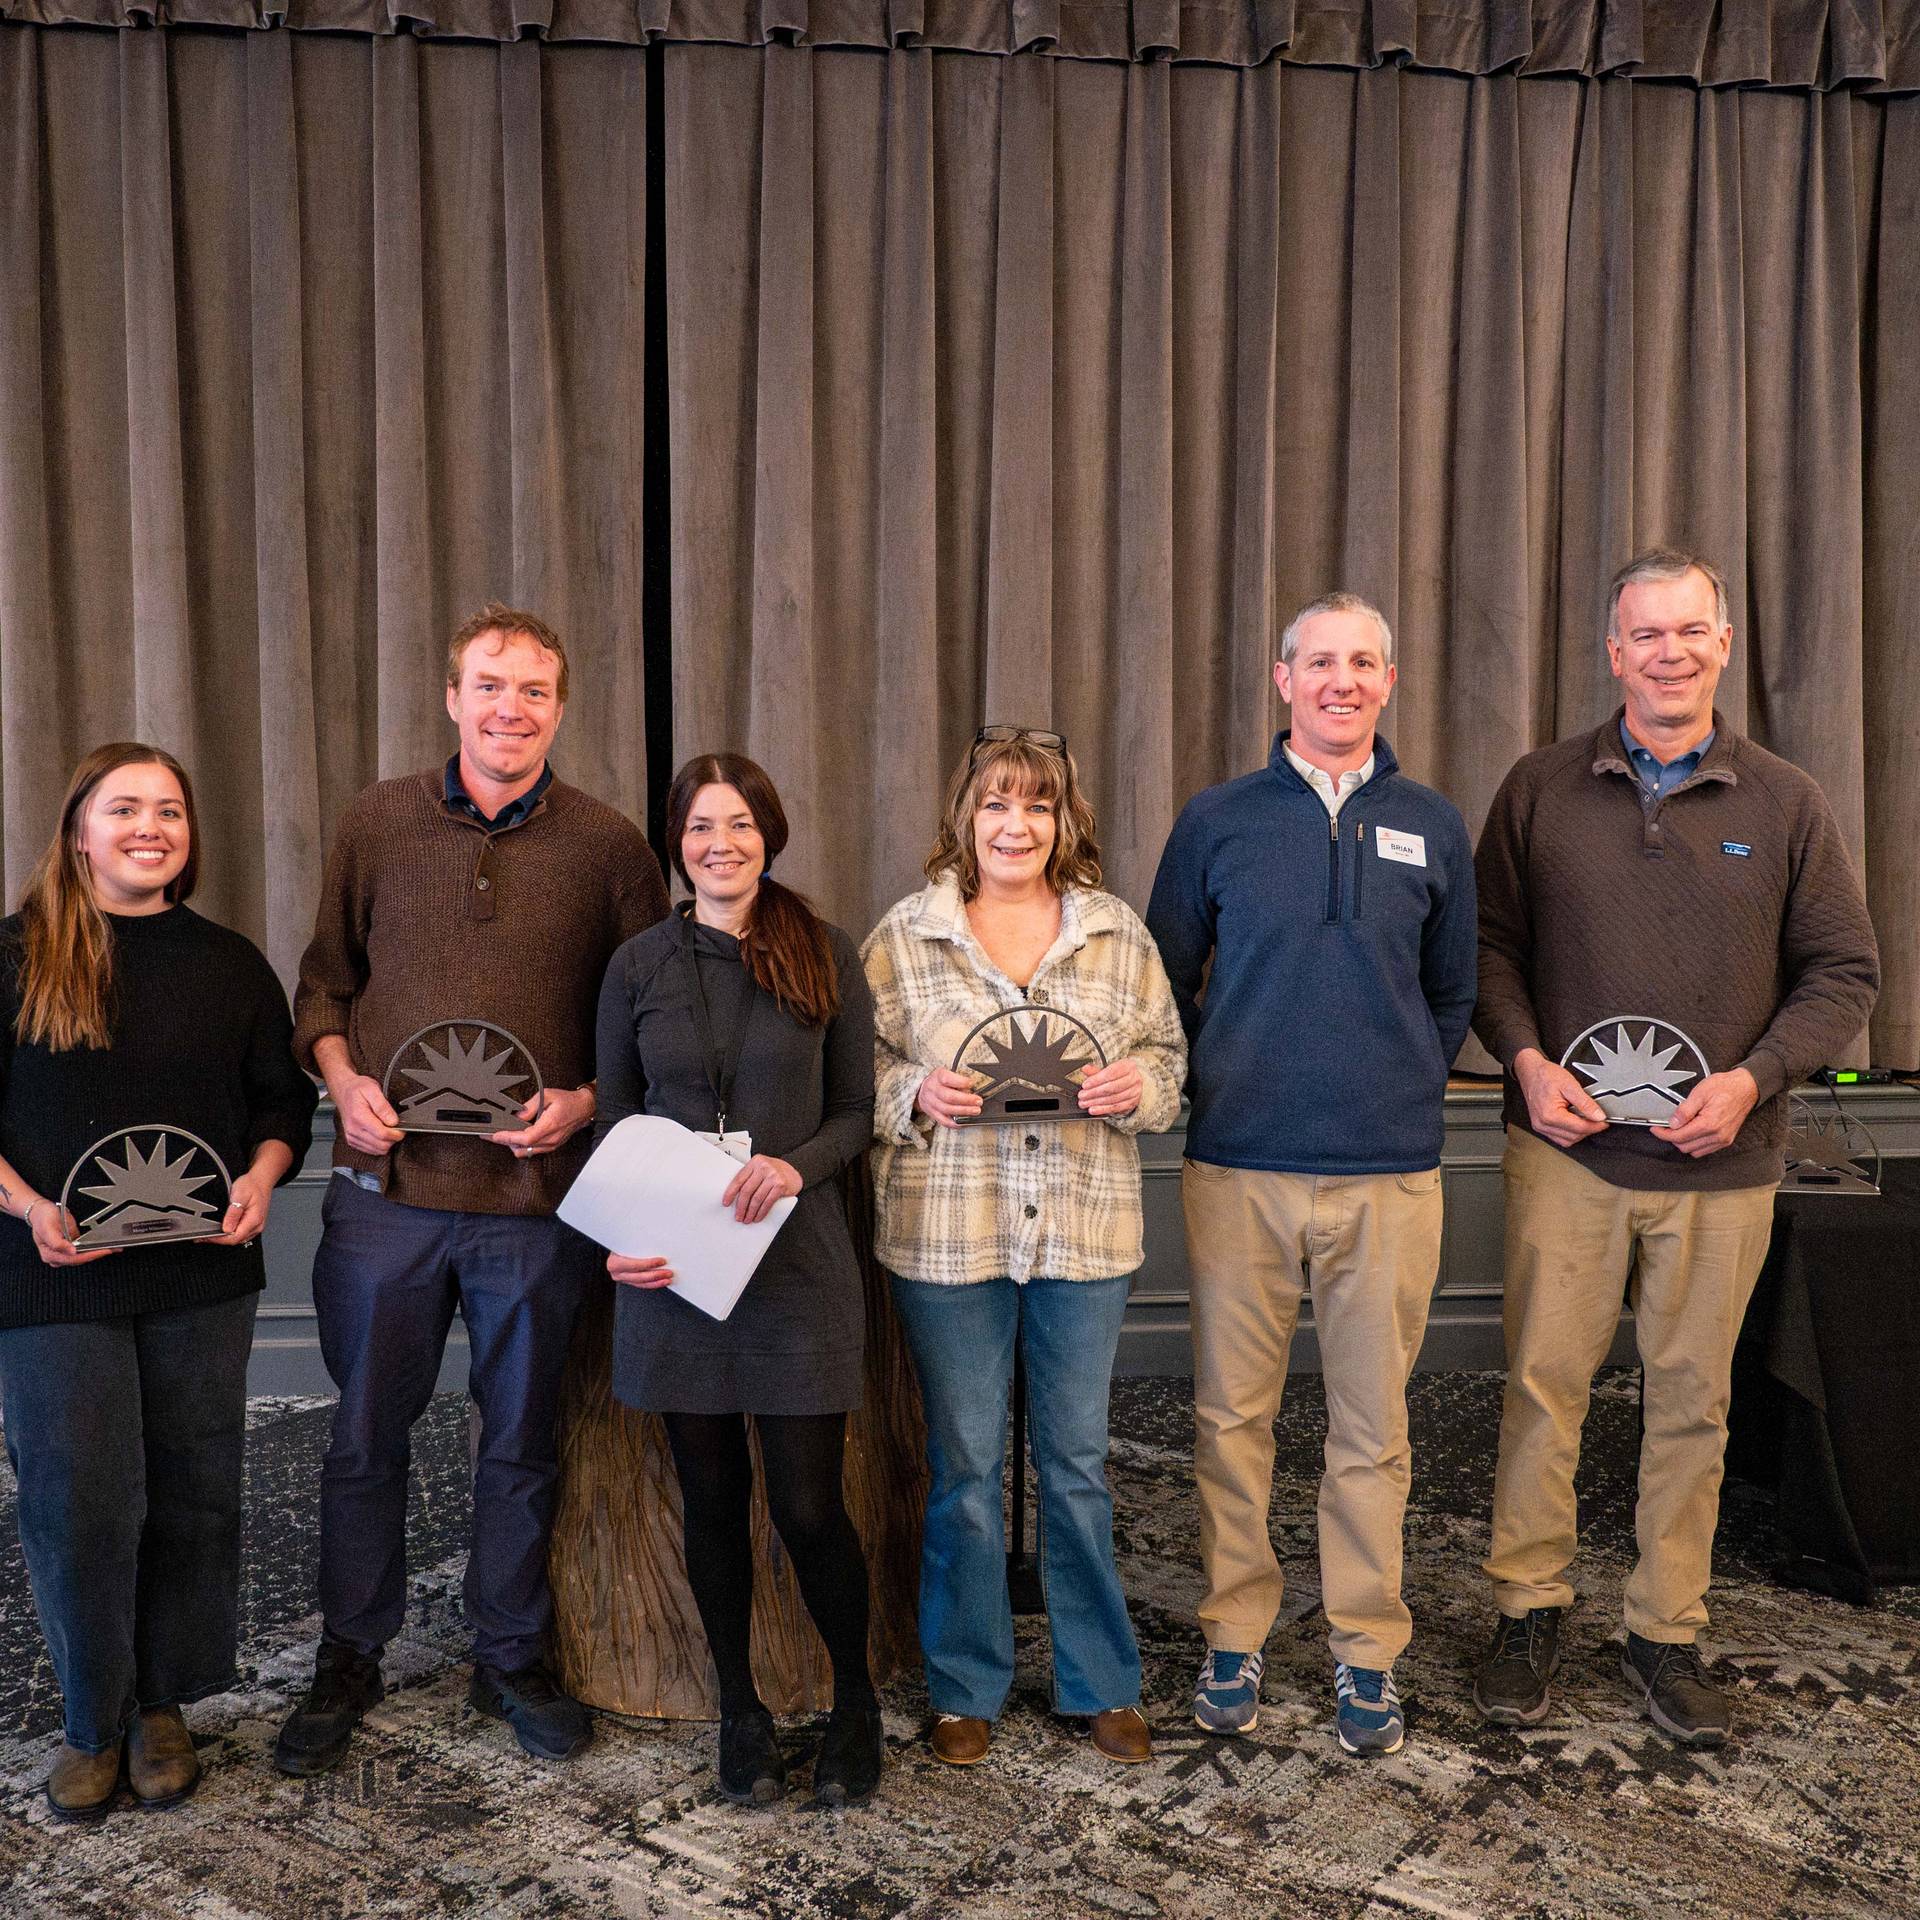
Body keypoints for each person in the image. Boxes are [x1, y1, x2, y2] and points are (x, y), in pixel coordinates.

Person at [1471, 547, 1878, 1748]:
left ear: (1723, 641)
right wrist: (1525, 1061)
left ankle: (1665, 1627)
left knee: (1692, 1404)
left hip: (1724, 1166)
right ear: (1613, 652)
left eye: (1689, 631)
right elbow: (1487, 952)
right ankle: (1526, 1609)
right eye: (1645, 634)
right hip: (1566, 1154)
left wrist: (1754, 1080)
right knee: (1544, 1391)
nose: (1669, 651)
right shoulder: (1540, 788)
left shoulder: (1787, 802)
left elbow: (1844, 973)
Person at [275, 604, 669, 1775]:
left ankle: (510, 1655)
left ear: (560, 707)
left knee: (522, 1440)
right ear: (451, 698)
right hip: (384, 1196)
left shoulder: (610, 849)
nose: (511, 709)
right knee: (361, 1436)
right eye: (490, 686)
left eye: (534, 691)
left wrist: (586, 1103)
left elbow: (649, 1020)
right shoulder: (376, 821)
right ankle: (351, 1652)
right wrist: (341, 1082)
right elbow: (322, 988)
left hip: (534, 1207)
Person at [1146, 594, 1476, 1758]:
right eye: (1320, 661)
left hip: (1386, 1176)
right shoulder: (1218, 820)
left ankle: (1364, 1652)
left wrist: (1396, 1081)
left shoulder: (1432, 824)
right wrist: (1235, 1075)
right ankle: (1234, 1630)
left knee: (1371, 1428)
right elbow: (1162, 980)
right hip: (1238, 1168)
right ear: (1281, 679)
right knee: (1233, 1419)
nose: (1343, 680)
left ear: (1390, 680)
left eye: (1365, 662)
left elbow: (1452, 992)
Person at [0, 743, 316, 1820]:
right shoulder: (16, 956)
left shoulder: (229, 963)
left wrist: (265, 1178)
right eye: (125, 808)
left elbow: (282, 1102)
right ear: (78, 828)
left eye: (170, 810)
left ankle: (162, 1707)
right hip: (53, 1275)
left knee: (192, 1492)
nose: (151, 826)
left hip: (201, 1275)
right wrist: (29, 1207)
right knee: (78, 1500)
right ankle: (93, 1717)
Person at [865, 726, 1185, 1769]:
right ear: (966, 817)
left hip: (1086, 1235)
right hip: (946, 1236)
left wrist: (1141, 1088)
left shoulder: (1115, 934)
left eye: (1037, 806)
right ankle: (965, 1685)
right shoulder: (906, 937)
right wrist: (912, 1090)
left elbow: (1166, 1060)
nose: (1016, 825)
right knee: (963, 1466)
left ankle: (1101, 1679)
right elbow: (849, 1072)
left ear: (1065, 822)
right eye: (997, 804)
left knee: (1077, 1465)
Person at [594, 753, 883, 1807]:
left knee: (809, 1508)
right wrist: (618, 1241)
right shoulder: (637, 967)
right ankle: (741, 1712)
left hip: (795, 1267)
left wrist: (791, 1167)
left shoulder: (824, 951)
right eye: (702, 827)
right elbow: (617, 1119)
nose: (723, 844)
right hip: (674, 1270)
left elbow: (857, 1111)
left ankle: (855, 1706)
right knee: (711, 1500)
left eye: (743, 824)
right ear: (677, 843)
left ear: (773, 832)